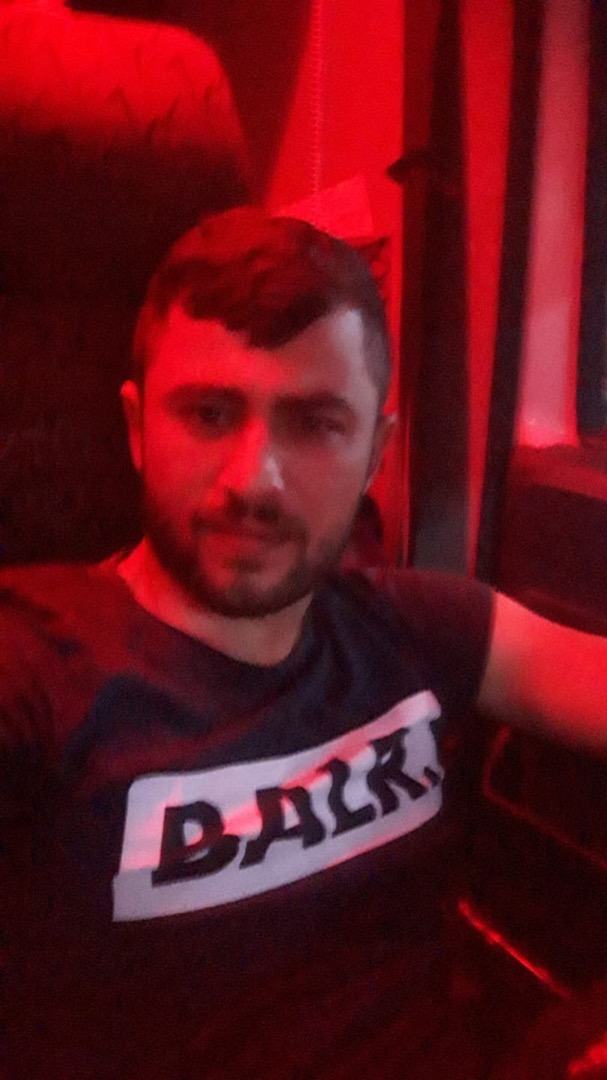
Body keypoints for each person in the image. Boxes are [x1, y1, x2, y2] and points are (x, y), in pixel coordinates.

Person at [1, 206, 607, 1080]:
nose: (254, 480)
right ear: (136, 430)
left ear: (376, 454)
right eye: (209, 413)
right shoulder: (36, 659)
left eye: (316, 424)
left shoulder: (420, 626)